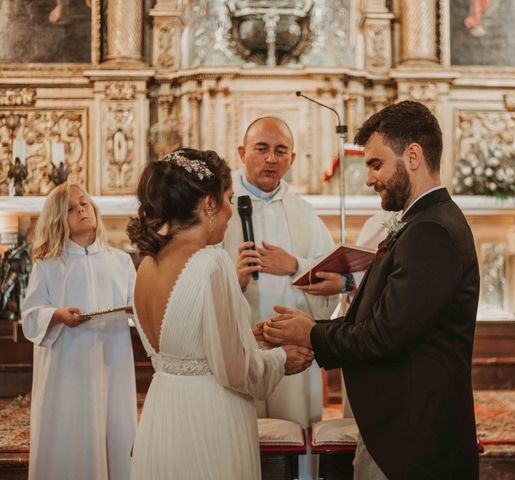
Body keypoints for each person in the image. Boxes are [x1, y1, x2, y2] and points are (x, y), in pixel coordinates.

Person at [261, 101, 481, 479]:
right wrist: (311, 328)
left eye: (376, 164)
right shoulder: (422, 223)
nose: (368, 179)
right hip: (401, 429)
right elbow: (384, 319)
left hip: (412, 438)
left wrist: (312, 334)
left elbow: (384, 336)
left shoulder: (431, 231)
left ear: (412, 156)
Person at [126, 148, 313, 480]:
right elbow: (235, 370)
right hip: (208, 417)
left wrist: (246, 339)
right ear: (208, 205)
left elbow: (186, 344)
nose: (231, 212)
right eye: (228, 199)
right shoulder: (211, 263)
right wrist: (282, 359)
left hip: (163, 412)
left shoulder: (146, 265)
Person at [222, 117, 340, 479]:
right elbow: (196, 279)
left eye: (280, 150)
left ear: (291, 159)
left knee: (294, 441)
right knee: (240, 440)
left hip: (293, 354)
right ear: (242, 153)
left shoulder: (304, 213)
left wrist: (294, 265)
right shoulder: (219, 211)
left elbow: (332, 280)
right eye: (261, 148)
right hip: (240, 351)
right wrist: (236, 281)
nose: (271, 159)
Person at [21, 182, 137, 480]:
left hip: (111, 358)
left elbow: (137, 304)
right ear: (59, 220)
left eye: (83, 204)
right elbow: (31, 315)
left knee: (113, 424)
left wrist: (133, 310)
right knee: (70, 430)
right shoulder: (48, 266)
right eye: (71, 209)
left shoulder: (120, 261)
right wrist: (56, 315)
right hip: (67, 366)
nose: (81, 210)